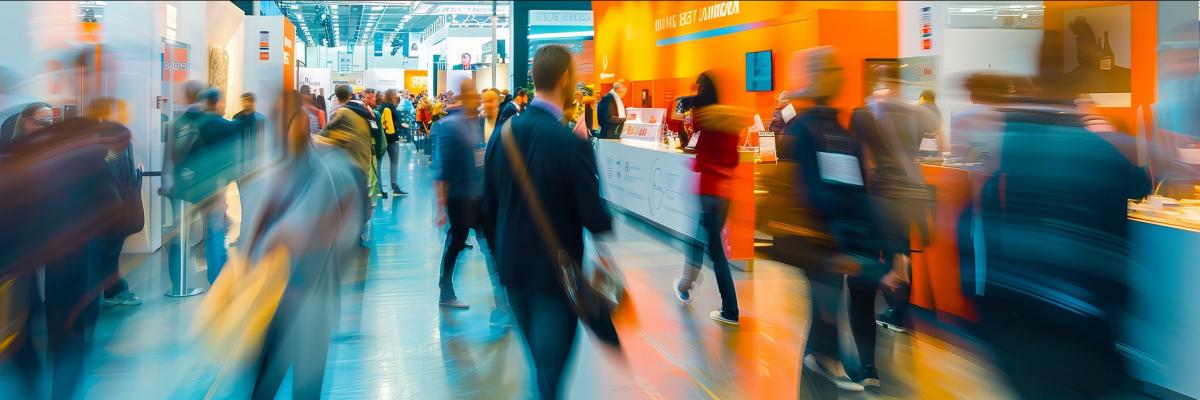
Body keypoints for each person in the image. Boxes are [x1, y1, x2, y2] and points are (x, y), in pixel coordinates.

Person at [977, 31, 1150, 399]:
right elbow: (1138, 185)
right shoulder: (1093, 149)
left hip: (1018, 310)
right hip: (1076, 315)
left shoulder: (1013, 141)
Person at [482, 44, 615, 400]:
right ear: (565, 78)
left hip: (512, 270)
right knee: (549, 377)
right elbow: (595, 219)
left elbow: (488, 205)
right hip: (555, 277)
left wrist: (500, 253)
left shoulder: (503, 134)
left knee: (541, 371)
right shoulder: (571, 143)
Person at [249, 92, 365, 400]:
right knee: (265, 381)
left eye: (282, 121)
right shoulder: (281, 168)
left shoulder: (329, 168)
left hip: (311, 296)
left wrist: (286, 237)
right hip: (275, 296)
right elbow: (264, 221)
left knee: (305, 382)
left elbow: (337, 228)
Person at [786, 46, 878, 392]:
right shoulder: (806, 129)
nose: (839, 76)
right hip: (820, 238)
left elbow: (856, 185)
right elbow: (810, 191)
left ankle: (822, 358)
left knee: (828, 303)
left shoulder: (838, 128)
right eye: (831, 70)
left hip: (838, 236)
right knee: (827, 300)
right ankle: (825, 359)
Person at [844, 63, 938, 388]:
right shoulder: (917, 113)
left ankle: (868, 366)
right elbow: (928, 146)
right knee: (900, 254)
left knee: (864, 277)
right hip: (909, 199)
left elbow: (861, 160)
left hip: (878, 199)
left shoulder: (869, 113)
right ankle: (898, 314)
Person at [670, 72, 745, 326]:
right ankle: (686, 283)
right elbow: (734, 160)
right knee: (700, 241)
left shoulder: (704, 121)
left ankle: (730, 309)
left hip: (707, 191)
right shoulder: (729, 124)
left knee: (712, 251)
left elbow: (697, 155)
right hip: (724, 194)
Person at [162, 87, 239, 285]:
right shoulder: (215, 123)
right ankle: (217, 280)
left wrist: (168, 184)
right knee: (214, 231)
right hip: (211, 187)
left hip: (182, 188)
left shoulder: (176, 124)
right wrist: (225, 181)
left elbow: (169, 160)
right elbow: (229, 157)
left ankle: (178, 283)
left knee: (180, 234)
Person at [85, 98, 145, 307]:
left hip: (112, 203)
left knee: (110, 250)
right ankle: (112, 291)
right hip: (109, 205)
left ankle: (112, 290)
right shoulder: (108, 136)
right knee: (108, 250)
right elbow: (108, 168)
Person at [432, 78, 485, 308]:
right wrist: (440, 206)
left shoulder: (473, 123)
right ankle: (446, 291)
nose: (478, 99)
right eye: (473, 94)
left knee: (485, 242)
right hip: (459, 196)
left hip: (476, 194)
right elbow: (441, 168)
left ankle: (503, 298)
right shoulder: (451, 125)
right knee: (456, 242)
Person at [317, 84, 379, 205]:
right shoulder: (362, 110)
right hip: (364, 156)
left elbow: (325, 133)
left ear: (336, 95)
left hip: (346, 158)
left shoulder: (339, 111)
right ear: (351, 95)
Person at [377, 89, 408, 196]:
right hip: (392, 138)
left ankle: (379, 188)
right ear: (392, 96)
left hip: (381, 139)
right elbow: (398, 120)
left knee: (379, 164)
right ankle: (394, 186)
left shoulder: (381, 107)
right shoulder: (391, 107)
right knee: (394, 163)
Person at [233, 92, 267, 181]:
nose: (246, 104)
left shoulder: (260, 119)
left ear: (253, 102)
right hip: (241, 161)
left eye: (249, 101)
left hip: (255, 160)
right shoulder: (236, 118)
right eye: (244, 101)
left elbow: (263, 141)